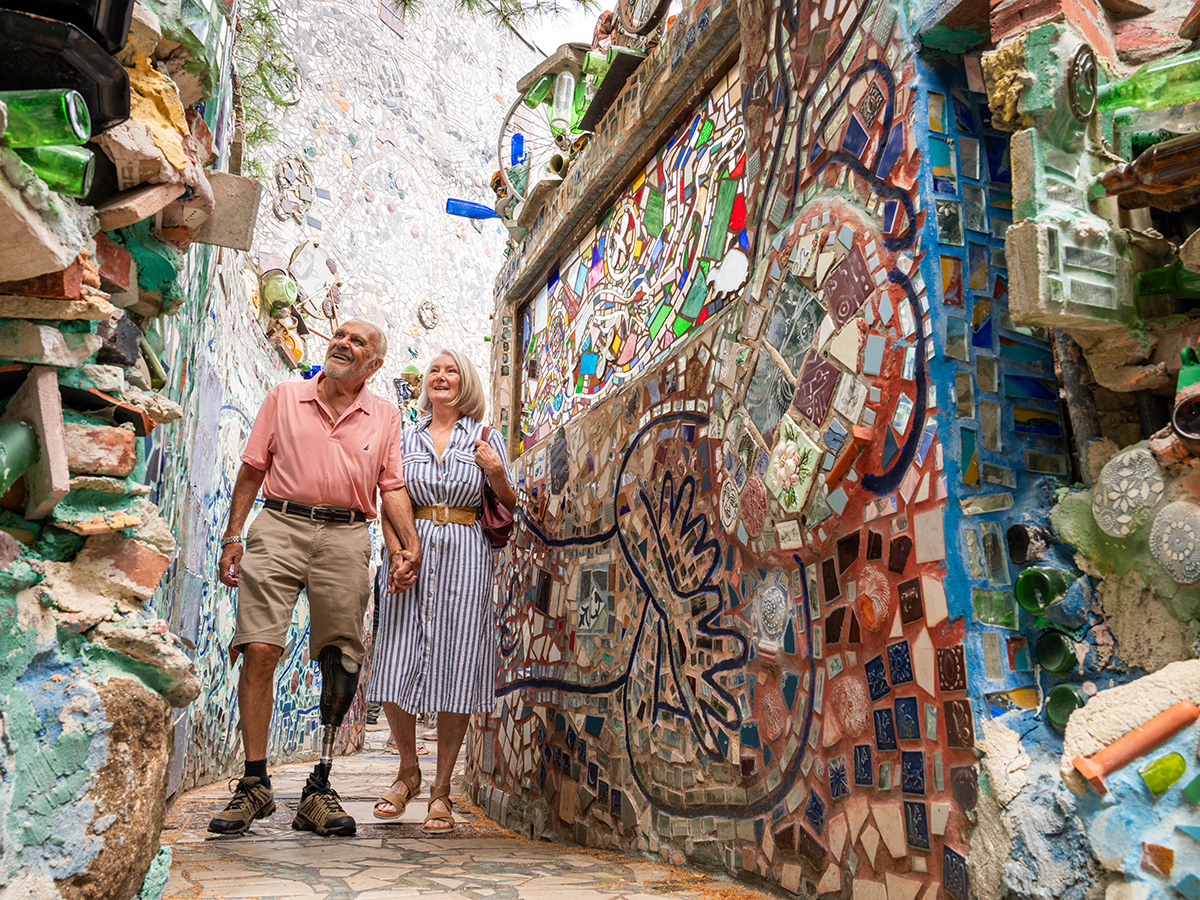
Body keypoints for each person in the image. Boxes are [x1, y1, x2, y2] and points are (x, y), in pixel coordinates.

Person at [208, 319, 421, 837]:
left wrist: (406, 545)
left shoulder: (385, 415)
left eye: (359, 342)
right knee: (258, 646)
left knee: (342, 659)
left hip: (348, 534)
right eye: (341, 335)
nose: (344, 344)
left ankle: (318, 787)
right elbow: (253, 467)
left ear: (374, 366)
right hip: (279, 522)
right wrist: (233, 534)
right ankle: (254, 783)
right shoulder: (285, 396)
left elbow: (389, 486)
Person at [368, 348, 516, 833]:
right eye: (434, 370)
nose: (441, 377)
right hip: (412, 552)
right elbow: (389, 500)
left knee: (456, 663)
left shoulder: (484, 437)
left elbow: (508, 504)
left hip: (467, 555)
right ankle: (407, 769)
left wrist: (495, 472)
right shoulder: (404, 438)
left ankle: (441, 790)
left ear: (465, 382)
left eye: (451, 370)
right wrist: (396, 553)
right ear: (424, 383)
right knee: (394, 657)